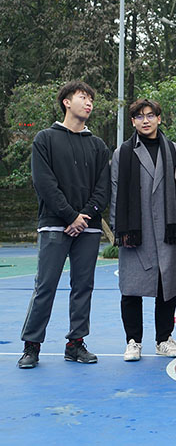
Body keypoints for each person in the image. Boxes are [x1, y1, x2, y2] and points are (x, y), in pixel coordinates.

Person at [18, 81, 111, 369]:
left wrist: (84, 216)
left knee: (83, 287)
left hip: (88, 228)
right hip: (54, 225)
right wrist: (70, 216)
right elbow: (44, 183)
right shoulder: (45, 139)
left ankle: (75, 343)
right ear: (66, 102)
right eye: (83, 97)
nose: (89, 103)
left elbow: (103, 189)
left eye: (91, 99)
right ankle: (31, 345)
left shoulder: (98, 145)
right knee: (45, 286)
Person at [111, 99, 176, 362]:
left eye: (150, 115)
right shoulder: (123, 152)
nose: (146, 120)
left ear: (159, 118)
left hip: (168, 229)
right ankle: (133, 341)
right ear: (133, 121)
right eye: (140, 116)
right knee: (131, 288)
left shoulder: (174, 150)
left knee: (167, 288)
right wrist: (119, 231)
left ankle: (164, 339)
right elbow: (115, 191)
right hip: (135, 230)